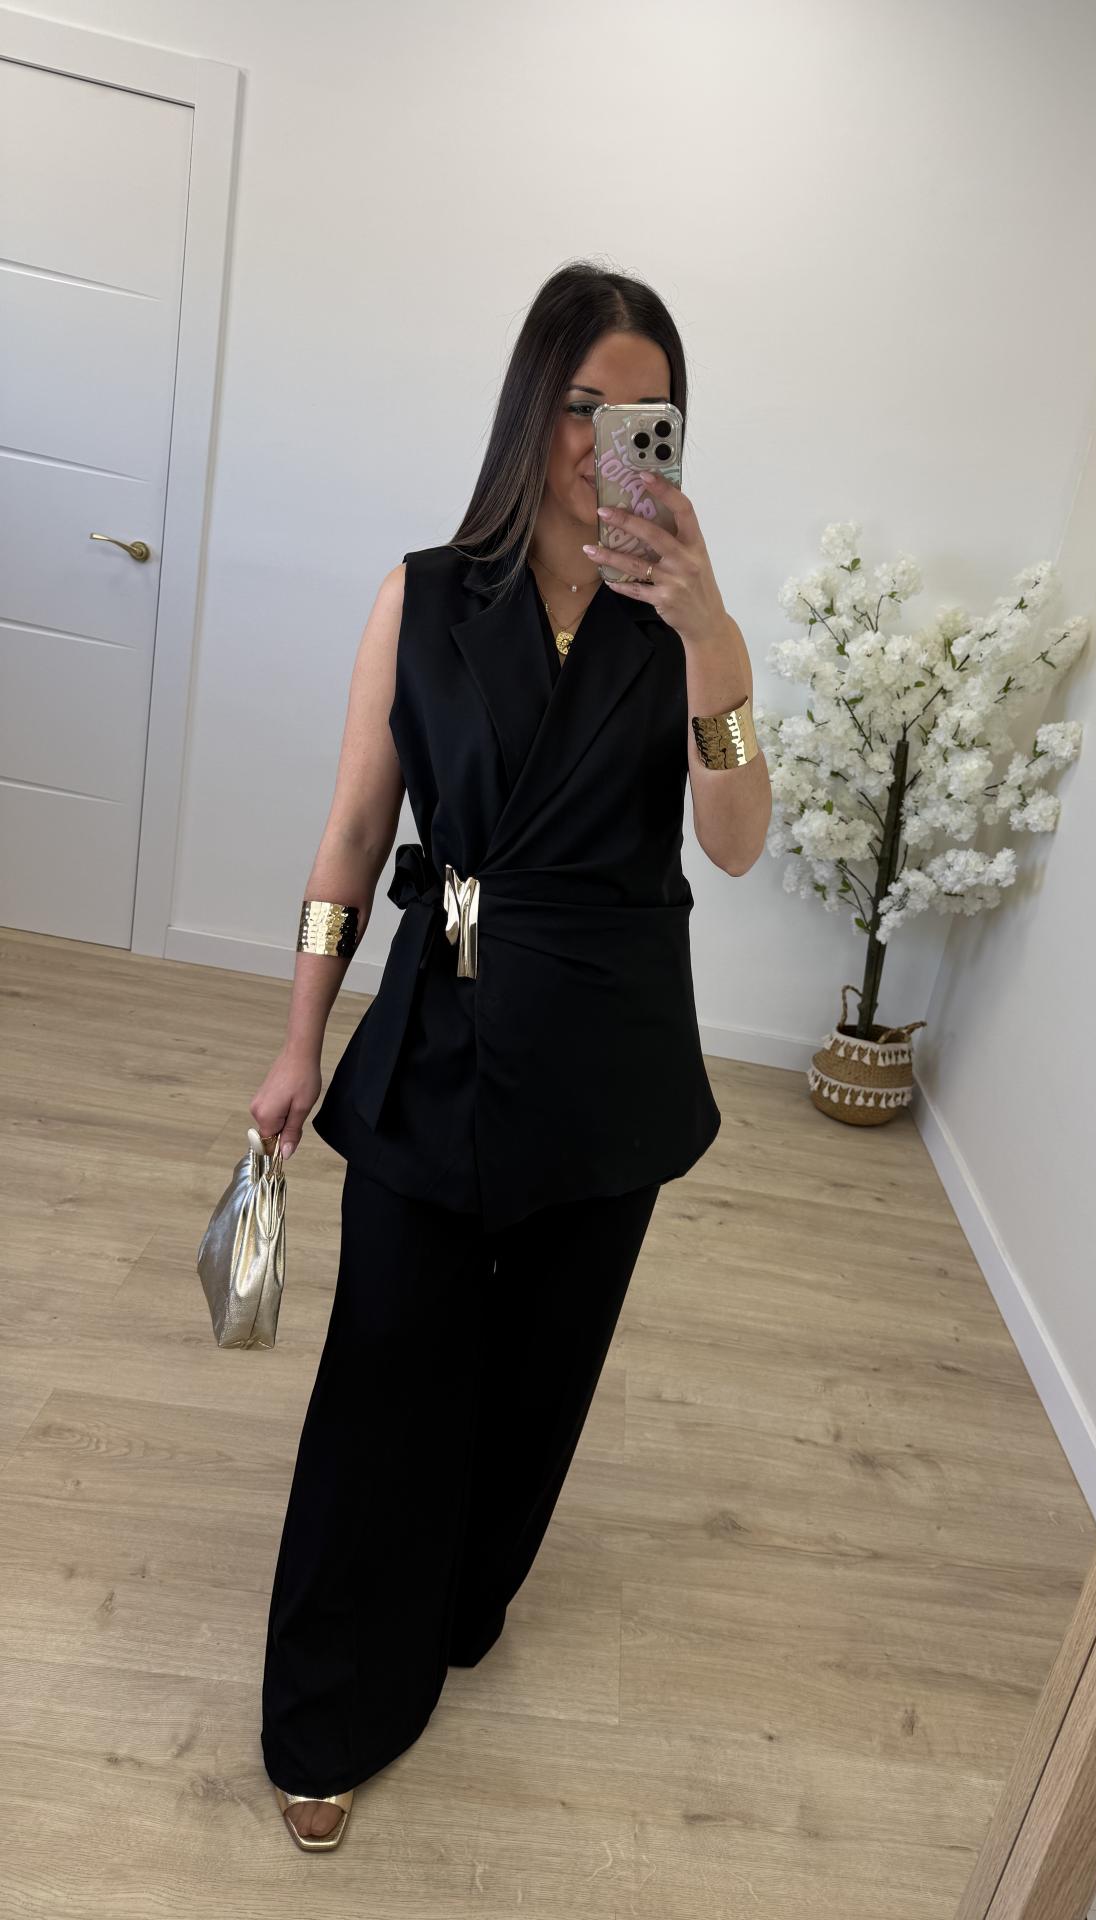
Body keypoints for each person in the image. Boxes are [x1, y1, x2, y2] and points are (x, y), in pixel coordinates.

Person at [248, 261, 771, 1850]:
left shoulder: (682, 624)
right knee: (384, 1372)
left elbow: (736, 842)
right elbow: (355, 834)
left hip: (613, 1051)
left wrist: (714, 639)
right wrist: (298, 1041)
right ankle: (330, 1704)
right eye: (582, 408)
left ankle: (459, 1605)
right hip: (441, 1027)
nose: (605, 443)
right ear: (533, 408)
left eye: (643, 416)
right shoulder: (423, 597)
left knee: (541, 1380)